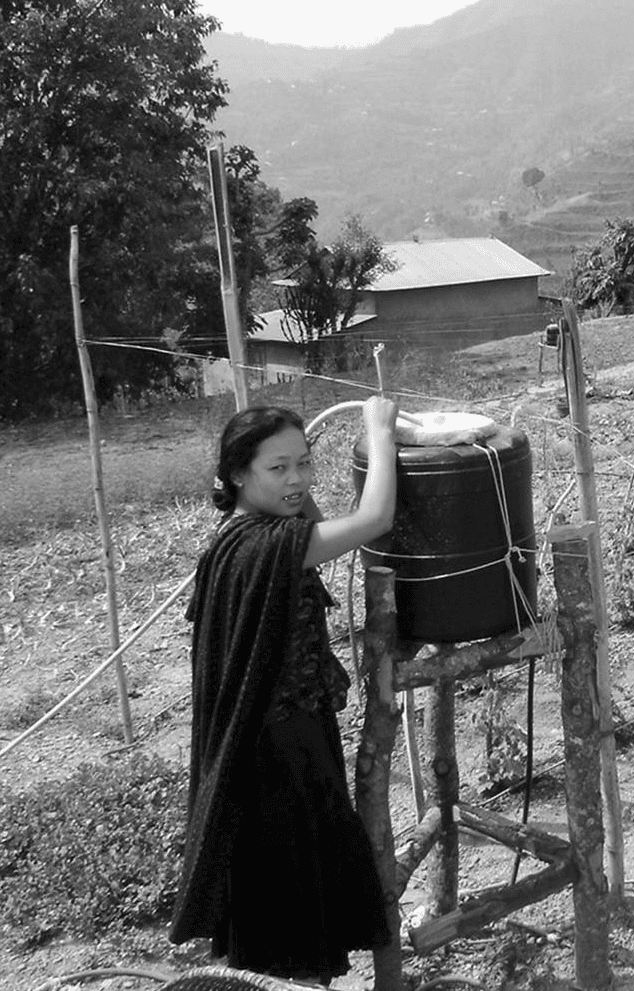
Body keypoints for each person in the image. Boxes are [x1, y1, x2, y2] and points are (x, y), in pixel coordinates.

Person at [171, 398, 399, 984]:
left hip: (281, 742)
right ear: (237, 475)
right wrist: (378, 431)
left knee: (292, 906)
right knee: (292, 907)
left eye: (305, 463)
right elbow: (375, 519)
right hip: (277, 762)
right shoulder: (264, 546)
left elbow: (310, 518)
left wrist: (295, 491)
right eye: (278, 468)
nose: (297, 479)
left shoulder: (245, 537)